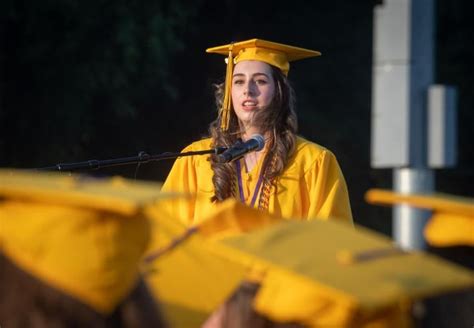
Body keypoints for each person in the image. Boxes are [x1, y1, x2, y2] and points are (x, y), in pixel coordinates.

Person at [162, 38, 352, 225]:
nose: (247, 90)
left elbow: (331, 243)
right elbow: (164, 232)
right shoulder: (194, 161)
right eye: (238, 81)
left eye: (260, 81)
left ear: (279, 92)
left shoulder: (314, 163)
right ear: (229, 92)